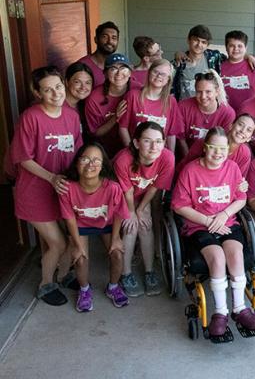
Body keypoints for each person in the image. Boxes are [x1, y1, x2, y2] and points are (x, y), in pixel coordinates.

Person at [172, 126, 255, 336]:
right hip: (199, 225)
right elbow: (178, 206)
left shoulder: (232, 168)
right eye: (213, 147)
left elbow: (241, 198)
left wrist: (223, 215)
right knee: (217, 257)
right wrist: (206, 220)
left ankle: (239, 308)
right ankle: (220, 313)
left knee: (235, 253)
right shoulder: (191, 171)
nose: (218, 153)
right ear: (205, 147)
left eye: (222, 149)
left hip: (227, 223)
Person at [10, 66, 82, 305]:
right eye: (48, 90)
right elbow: (23, 157)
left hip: (63, 190)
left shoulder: (71, 115)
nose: (55, 94)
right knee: (57, 242)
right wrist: (51, 177)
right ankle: (45, 284)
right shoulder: (31, 117)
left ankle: (63, 275)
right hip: (34, 193)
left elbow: (77, 150)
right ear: (38, 92)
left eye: (59, 87)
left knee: (72, 238)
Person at [58, 142, 131, 312]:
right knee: (80, 257)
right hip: (80, 225)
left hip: (106, 224)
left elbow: (120, 212)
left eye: (96, 161)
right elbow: (69, 219)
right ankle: (84, 291)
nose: (91, 164)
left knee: (117, 253)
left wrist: (116, 239)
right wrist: (76, 245)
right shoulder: (68, 188)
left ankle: (113, 287)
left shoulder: (112, 187)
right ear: (77, 162)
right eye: (85, 159)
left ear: (102, 166)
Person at [113, 122, 174, 297]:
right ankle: (126, 274)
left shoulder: (167, 158)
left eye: (159, 141)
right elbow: (127, 191)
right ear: (136, 143)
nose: (154, 147)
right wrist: (132, 212)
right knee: (131, 226)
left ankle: (149, 271)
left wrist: (141, 209)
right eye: (147, 141)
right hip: (121, 195)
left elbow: (155, 186)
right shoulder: (123, 159)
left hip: (143, 195)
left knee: (145, 224)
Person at [172, 25, 255, 101]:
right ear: (188, 40)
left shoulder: (214, 57)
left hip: (210, 109)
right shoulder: (178, 63)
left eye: (203, 42)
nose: (199, 44)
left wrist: (247, 56)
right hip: (185, 110)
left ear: (207, 45)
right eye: (196, 40)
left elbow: (233, 56)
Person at [118, 59, 182, 151]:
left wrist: (171, 157)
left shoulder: (171, 102)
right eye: (155, 71)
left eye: (163, 74)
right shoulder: (133, 96)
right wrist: (132, 151)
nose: (159, 76)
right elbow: (122, 128)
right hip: (136, 151)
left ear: (168, 79)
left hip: (159, 153)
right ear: (149, 73)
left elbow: (171, 134)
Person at [84, 53, 133, 157]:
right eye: (113, 69)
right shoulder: (94, 98)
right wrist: (116, 117)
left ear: (130, 73)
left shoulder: (137, 90)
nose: (119, 73)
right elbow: (95, 133)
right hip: (106, 150)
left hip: (135, 147)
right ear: (105, 73)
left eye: (123, 68)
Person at [177, 70, 235, 156]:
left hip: (214, 156)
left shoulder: (228, 113)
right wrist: (188, 159)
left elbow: (224, 144)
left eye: (208, 92)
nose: (203, 96)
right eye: (199, 92)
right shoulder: (183, 107)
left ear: (217, 91)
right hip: (186, 155)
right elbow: (181, 139)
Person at [179, 114, 255, 177]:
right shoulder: (205, 142)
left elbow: (238, 181)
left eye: (248, 130)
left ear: (249, 138)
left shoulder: (245, 153)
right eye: (240, 125)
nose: (243, 131)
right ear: (231, 126)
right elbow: (185, 168)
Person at [220, 30, 255, 112]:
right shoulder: (218, 67)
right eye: (231, 46)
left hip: (249, 115)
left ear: (246, 48)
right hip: (225, 115)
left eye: (240, 46)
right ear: (226, 47)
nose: (236, 49)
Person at [77, 21, 119, 86]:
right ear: (96, 39)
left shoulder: (120, 65)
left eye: (114, 38)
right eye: (105, 37)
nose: (110, 41)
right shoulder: (82, 65)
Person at [64, 62, 94, 142]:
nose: (83, 87)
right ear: (67, 82)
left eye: (87, 83)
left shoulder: (85, 105)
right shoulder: (58, 107)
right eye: (77, 82)